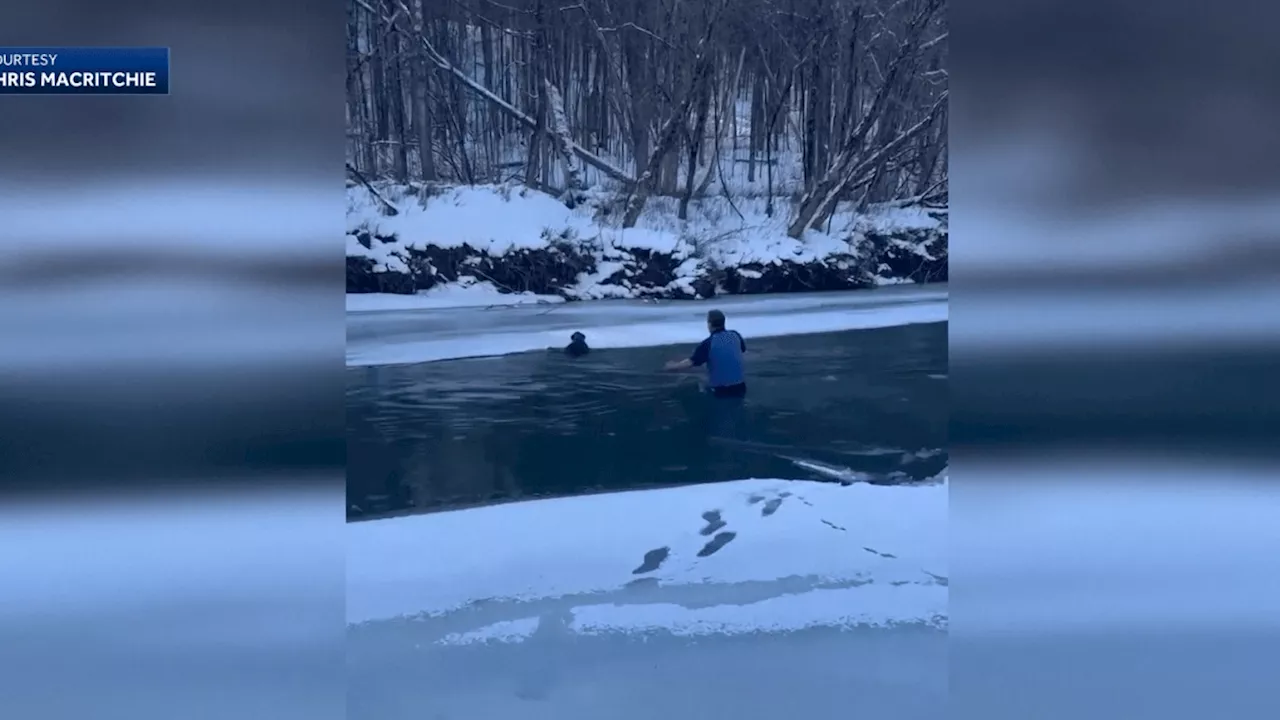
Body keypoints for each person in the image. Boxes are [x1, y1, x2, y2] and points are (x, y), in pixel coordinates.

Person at [664, 309, 747, 397]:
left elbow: (690, 362)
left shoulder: (708, 343)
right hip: (740, 387)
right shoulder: (735, 335)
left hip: (721, 390)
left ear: (709, 324)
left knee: (698, 385)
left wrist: (672, 366)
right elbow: (742, 350)